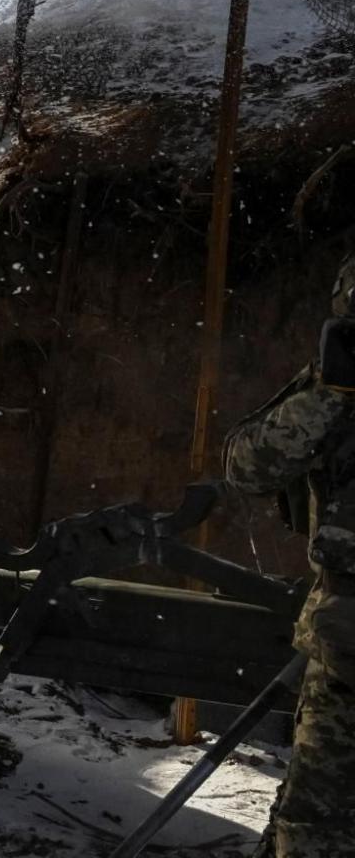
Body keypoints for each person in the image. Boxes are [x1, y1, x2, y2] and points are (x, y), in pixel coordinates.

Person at [223, 256, 355, 858]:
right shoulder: (339, 388)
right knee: (313, 830)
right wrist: (329, 396)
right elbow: (248, 465)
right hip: (345, 642)